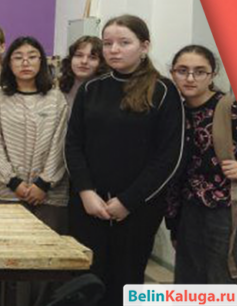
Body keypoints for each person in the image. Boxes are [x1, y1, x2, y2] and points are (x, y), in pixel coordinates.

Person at [65, 15, 184, 306]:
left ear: (144, 46)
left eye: (124, 43)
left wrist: (128, 201)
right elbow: (73, 144)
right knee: (85, 282)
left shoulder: (164, 91)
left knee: (125, 281)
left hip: (137, 208)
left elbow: (170, 156)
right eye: (108, 43)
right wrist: (86, 192)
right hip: (89, 205)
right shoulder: (91, 89)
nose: (114, 50)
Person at [0, 36, 70, 306]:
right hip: (11, 193)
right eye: (18, 57)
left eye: (32, 56)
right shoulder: (0, 99)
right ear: (8, 63)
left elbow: (61, 143)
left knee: (46, 260)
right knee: (13, 261)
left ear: (41, 62)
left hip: (50, 195)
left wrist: (43, 183)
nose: (25, 62)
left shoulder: (56, 99)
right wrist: (13, 182)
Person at [166, 45, 237, 284]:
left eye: (199, 71)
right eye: (182, 70)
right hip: (188, 210)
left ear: (212, 74)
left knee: (223, 282)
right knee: (189, 281)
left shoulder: (231, 109)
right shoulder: (175, 111)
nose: (190, 78)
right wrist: (173, 220)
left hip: (227, 210)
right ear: (172, 73)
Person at [58, 36, 107, 106]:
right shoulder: (57, 88)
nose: (84, 61)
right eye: (79, 55)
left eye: (92, 58)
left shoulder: (107, 92)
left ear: (101, 63)